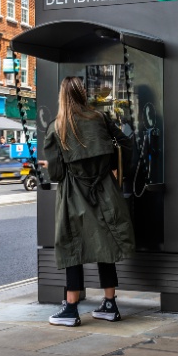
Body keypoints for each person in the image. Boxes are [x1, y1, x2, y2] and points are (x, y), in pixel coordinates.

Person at [39, 76, 135, 327]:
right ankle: (110, 304)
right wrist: (111, 165)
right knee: (105, 243)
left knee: (72, 246)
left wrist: (53, 166)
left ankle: (71, 309)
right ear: (84, 94)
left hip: (74, 193)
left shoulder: (57, 127)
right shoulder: (101, 119)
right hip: (105, 189)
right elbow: (125, 143)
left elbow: (57, 173)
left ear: (62, 97)